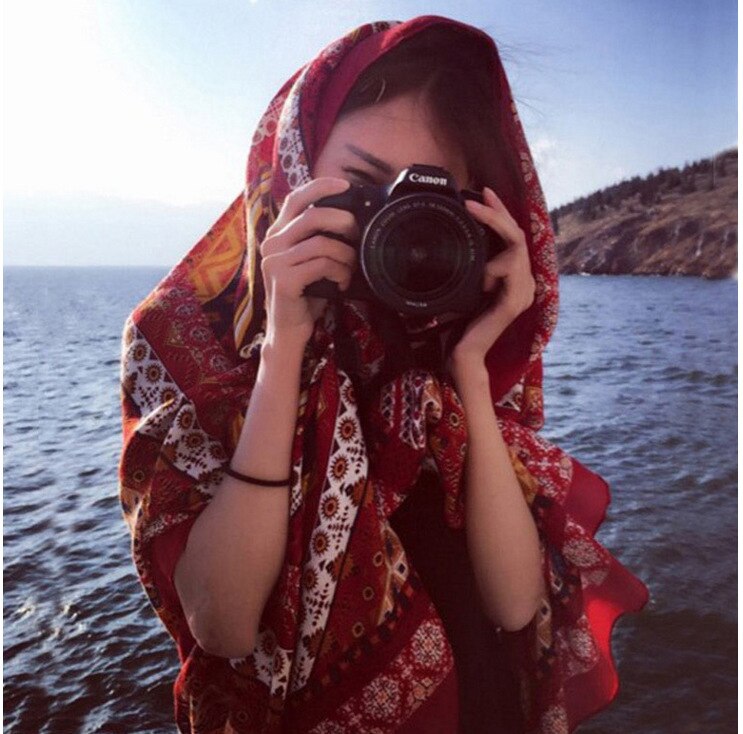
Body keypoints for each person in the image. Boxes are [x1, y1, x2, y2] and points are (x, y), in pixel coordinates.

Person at [118, 15, 649, 734]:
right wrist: (283, 350)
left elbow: (515, 604)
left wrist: (469, 365)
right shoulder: (188, 337)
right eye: (364, 188)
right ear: (296, 163)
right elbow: (223, 627)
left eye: (426, 205)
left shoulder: (447, 330)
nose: (395, 229)